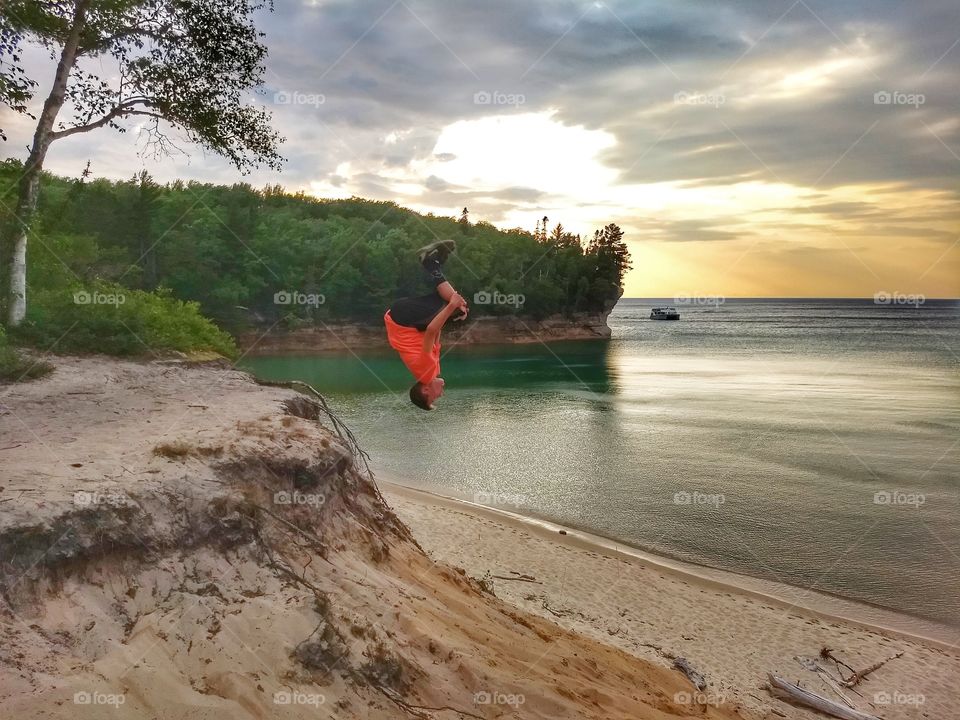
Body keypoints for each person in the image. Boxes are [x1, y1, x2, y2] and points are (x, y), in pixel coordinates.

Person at [384, 240, 468, 410]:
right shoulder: (431, 370)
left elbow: (430, 331)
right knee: (458, 307)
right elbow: (435, 334)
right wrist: (453, 311)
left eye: (434, 399)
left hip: (404, 318)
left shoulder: (427, 372)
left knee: (455, 305)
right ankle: (434, 264)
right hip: (401, 317)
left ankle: (431, 263)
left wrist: (452, 306)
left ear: (426, 390)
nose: (441, 395)